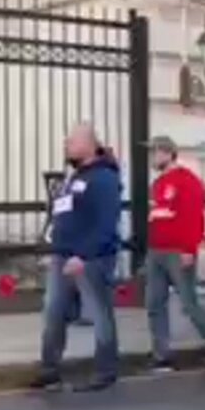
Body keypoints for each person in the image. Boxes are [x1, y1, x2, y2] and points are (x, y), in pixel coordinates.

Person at [30, 124, 122, 392]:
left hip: (91, 259)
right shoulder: (75, 177)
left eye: (71, 142)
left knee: (99, 314)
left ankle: (106, 370)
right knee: (54, 313)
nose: (66, 146)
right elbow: (64, 214)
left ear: (90, 145)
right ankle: (49, 369)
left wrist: (83, 254)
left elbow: (106, 223)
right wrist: (56, 249)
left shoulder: (104, 178)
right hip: (63, 257)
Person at [143, 135, 205, 374]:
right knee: (155, 303)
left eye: (154, 152)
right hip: (156, 250)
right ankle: (161, 354)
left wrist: (189, 248)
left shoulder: (187, 181)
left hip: (177, 251)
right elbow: (158, 215)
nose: (152, 158)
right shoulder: (157, 184)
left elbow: (194, 218)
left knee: (189, 303)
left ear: (166, 153)